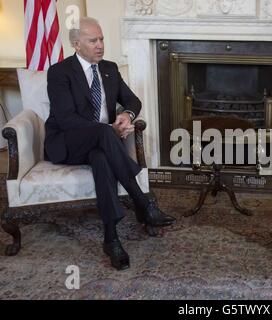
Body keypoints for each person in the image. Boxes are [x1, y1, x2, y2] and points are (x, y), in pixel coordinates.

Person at [44, 17, 176, 271]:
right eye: (93, 40)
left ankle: (111, 238)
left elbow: (133, 100)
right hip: (67, 142)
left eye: (102, 39)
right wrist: (109, 130)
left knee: (101, 158)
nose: (100, 45)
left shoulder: (109, 68)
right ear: (76, 43)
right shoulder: (60, 72)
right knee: (105, 135)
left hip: (100, 145)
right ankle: (143, 201)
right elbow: (67, 119)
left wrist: (126, 115)